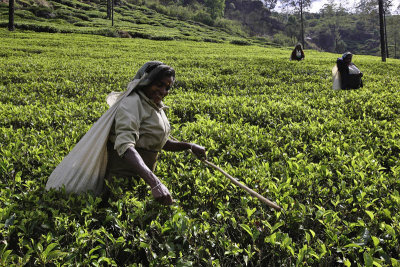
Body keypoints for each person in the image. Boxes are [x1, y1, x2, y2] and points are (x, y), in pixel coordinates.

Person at [46, 61, 206, 205]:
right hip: (123, 176)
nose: (163, 91)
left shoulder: (155, 106)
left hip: (144, 176)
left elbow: (158, 143)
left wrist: (189, 146)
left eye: (167, 87)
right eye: (159, 85)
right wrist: (155, 183)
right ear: (147, 81)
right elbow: (125, 146)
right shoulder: (132, 103)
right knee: (121, 216)